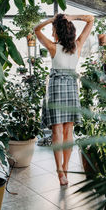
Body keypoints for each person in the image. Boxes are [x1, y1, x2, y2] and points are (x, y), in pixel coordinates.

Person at [34, 13, 94, 185]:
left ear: (58, 31)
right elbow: (91, 19)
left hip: (56, 89)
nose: (52, 33)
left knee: (57, 131)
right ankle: (64, 169)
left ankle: (61, 170)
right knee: (68, 131)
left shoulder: (53, 48)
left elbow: (36, 29)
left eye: (53, 29)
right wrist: (70, 17)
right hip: (70, 89)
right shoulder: (78, 45)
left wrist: (53, 19)